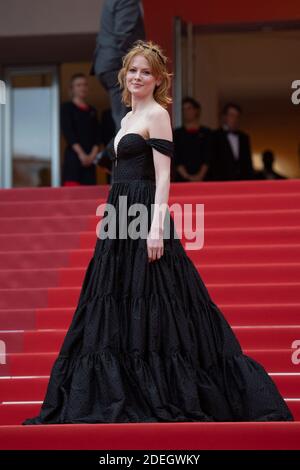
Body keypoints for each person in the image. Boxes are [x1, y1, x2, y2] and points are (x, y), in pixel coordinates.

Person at [23, 40, 293, 424]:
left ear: (158, 79)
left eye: (145, 72)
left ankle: (172, 387)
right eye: (132, 70)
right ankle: (123, 386)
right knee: (117, 298)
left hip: (146, 213)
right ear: (124, 75)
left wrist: (155, 228)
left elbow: (164, 178)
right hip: (117, 217)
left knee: (161, 299)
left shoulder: (158, 115)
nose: (137, 77)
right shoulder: (125, 119)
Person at [90, 0, 146, 130]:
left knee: (126, 120)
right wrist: (142, 63)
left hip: (110, 64)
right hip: (118, 65)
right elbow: (124, 35)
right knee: (126, 123)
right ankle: (123, 149)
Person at [61, 74, 102, 186]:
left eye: (85, 85)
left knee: (89, 195)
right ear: (72, 89)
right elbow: (69, 133)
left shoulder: (92, 110)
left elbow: (97, 136)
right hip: (74, 158)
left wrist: (92, 156)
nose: (82, 87)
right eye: (78, 85)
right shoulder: (67, 108)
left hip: (90, 160)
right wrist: (82, 155)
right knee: (72, 195)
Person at [210, 103, 254, 181]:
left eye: (237, 116)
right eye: (231, 115)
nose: (234, 118)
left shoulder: (244, 138)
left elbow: (248, 163)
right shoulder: (214, 136)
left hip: (242, 182)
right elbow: (212, 163)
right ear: (224, 117)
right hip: (222, 182)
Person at [173, 97, 212, 182]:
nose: (186, 111)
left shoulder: (206, 133)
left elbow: (208, 156)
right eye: (184, 109)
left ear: (196, 110)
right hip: (182, 180)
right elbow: (176, 157)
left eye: (189, 108)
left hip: (204, 179)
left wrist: (200, 176)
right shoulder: (177, 133)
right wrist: (187, 176)